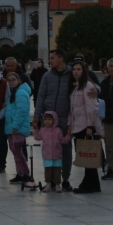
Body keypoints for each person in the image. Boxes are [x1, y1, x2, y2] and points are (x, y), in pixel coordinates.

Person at [35, 50, 72, 186]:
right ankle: (50, 179)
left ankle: (65, 178)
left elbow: (89, 84)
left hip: (64, 117)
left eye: (52, 58)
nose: (50, 61)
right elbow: (41, 96)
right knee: (49, 148)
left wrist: (96, 90)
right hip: (49, 118)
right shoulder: (47, 76)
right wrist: (37, 116)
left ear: (61, 59)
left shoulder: (72, 74)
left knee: (66, 148)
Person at [68, 62, 104, 193]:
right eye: (74, 69)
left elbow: (92, 107)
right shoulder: (75, 86)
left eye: (79, 69)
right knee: (85, 157)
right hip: (77, 126)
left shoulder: (87, 86)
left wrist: (90, 125)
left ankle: (90, 184)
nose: (76, 72)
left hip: (85, 126)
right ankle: (91, 183)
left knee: (89, 157)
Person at [5, 69, 34, 185]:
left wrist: (15, 126)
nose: (11, 82)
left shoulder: (20, 93)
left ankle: (26, 173)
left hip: (17, 128)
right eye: (9, 80)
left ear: (18, 81)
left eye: (13, 80)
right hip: (12, 127)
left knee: (18, 151)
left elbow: (21, 111)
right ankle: (20, 173)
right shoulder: (13, 93)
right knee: (15, 151)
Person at [33, 112, 67, 192]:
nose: (47, 121)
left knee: (57, 171)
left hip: (57, 155)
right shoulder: (42, 130)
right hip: (47, 155)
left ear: (54, 120)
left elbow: (63, 140)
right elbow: (37, 137)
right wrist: (35, 129)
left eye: (49, 119)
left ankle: (57, 185)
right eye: (45, 119)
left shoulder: (58, 131)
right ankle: (48, 184)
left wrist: (68, 136)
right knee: (47, 171)